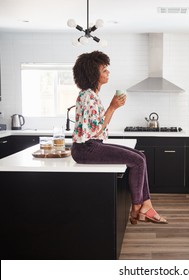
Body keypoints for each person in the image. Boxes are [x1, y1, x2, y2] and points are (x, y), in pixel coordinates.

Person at [71, 50, 167, 224]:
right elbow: (97, 130)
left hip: (91, 146)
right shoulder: (88, 97)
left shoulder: (91, 95)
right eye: (104, 70)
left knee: (141, 156)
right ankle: (138, 207)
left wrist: (112, 107)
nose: (108, 72)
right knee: (137, 161)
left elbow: (98, 128)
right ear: (93, 73)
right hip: (87, 149)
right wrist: (113, 107)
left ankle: (146, 204)